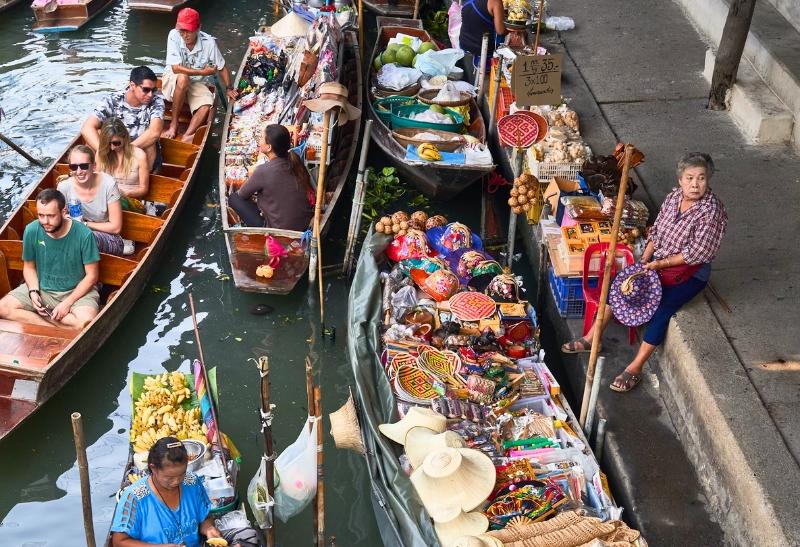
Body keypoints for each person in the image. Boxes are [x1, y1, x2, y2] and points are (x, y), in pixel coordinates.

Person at [561, 153, 728, 393]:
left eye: (701, 178)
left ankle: (635, 367)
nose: (695, 184)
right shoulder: (673, 197)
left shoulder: (711, 211)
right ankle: (591, 340)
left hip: (688, 273)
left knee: (662, 310)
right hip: (658, 262)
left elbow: (695, 254)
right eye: (689, 178)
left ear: (708, 180)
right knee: (619, 286)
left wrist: (658, 265)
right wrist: (644, 261)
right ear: (680, 179)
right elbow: (657, 231)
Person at [0, 188, 100, 328]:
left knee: (85, 323)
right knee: (3, 308)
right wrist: (33, 291)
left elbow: (92, 276)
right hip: (43, 289)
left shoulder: (84, 235)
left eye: (51, 216)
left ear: (64, 212)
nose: (45, 221)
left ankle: (46, 317)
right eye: (41, 215)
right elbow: (29, 267)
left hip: (77, 292)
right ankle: (52, 328)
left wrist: (67, 303)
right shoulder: (31, 230)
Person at [110, 437, 228, 547]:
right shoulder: (135, 498)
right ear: (153, 468)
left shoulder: (192, 482)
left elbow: (205, 517)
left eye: (182, 474)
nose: (176, 481)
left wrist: (208, 529)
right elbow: (119, 541)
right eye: (169, 477)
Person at [161, 8, 236, 142]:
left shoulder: (209, 43)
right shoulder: (173, 35)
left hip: (196, 83)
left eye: (188, 31)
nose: (184, 35)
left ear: (198, 28)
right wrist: (203, 72)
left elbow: (222, 67)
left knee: (207, 104)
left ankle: (186, 136)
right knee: (183, 78)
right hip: (173, 79)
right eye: (181, 31)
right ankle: (174, 124)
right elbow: (176, 68)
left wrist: (229, 88)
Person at [228, 124, 314, 230]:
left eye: (261, 138)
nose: (259, 141)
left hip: (279, 230)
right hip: (304, 224)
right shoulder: (297, 161)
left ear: (269, 147)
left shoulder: (262, 171)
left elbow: (242, 195)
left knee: (233, 198)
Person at [81, 66, 165, 171]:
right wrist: (102, 151)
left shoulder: (156, 101)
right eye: (146, 90)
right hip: (112, 149)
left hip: (138, 150)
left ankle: (143, 180)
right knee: (96, 134)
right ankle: (94, 175)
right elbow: (87, 128)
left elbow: (154, 132)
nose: (150, 95)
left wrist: (125, 150)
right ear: (132, 85)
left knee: (150, 143)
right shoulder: (112, 100)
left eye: (153, 90)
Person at [58, 144, 125, 256]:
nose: (79, 171)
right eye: (74, 167)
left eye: (84, 166)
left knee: (85, 238)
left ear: (93, 166)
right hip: (75, 237)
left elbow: (116, 227)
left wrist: (84, 224)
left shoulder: (108, 184)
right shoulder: (63, 187)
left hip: (109, 238)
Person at [96, 117, 150, 214]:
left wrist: (126, 193)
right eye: (108, 144)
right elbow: (97, 181)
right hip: (106, 199)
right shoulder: (101, 154)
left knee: (114, 201)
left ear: (125, 137)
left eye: (116, 143)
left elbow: (144, 189)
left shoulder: (139, 155)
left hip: (131, 202)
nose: (112, 148)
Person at [460, 0, 506, 69]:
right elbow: (500, 31)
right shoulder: (495, 1)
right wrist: (514, 30)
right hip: (482, 49)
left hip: (464, 43)